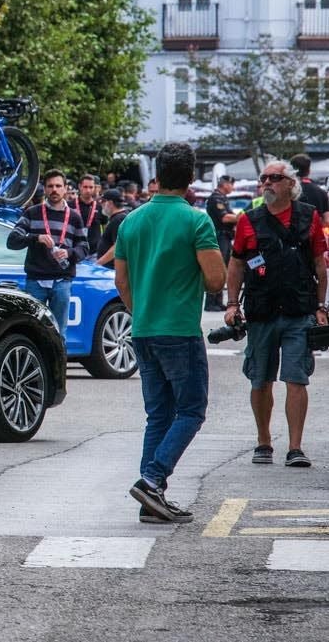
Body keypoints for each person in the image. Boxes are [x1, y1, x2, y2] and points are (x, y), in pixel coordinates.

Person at [114, 142, 225, 523]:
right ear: (191, 177)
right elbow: (215, 280)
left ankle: (151, 497)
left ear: (158, 175)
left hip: (143, 327)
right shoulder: (196, 220)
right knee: (191, 410)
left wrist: (141, 310)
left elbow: (121, 281)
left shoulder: (131, 221)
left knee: (158, 415)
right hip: (179, 328)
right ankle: (152, 480)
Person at [224, 160, 329, 468]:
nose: (267, 182)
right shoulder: (249, 219)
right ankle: (264, 441)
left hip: (299, 311)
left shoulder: (308, 216)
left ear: (290, 184)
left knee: (297, 379)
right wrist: (232, 304)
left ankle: (295, 447)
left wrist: (321, 307)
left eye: (274, 178)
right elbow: (236, 264)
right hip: (262, 312)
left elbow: (320, 265)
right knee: (260, 379)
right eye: (264, 178)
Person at [7, 169, 88, 333]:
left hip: (62, 281)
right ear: (44, 189)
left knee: (59, 331)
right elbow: (12, 241)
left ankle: (59, 352)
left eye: (58, 186)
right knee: (32, 330)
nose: (54, 190)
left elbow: (84, 248)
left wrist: (69, 253)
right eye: (50, 186)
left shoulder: (74, 217)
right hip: (36, 281)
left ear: (65, 188)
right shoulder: (32, 213)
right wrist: (35, 238)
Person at [204, 175, 238, 311]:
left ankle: (218, 301)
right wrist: (243, 217)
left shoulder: (223, 198)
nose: (232, 187)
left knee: (223, 269)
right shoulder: (216, 198)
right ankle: (211, 303)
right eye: (231, 184)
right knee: (217, 268)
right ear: (225, 184)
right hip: (219, 237)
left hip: (225, 237)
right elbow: (225, 218)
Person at [93, 188, 129, 267]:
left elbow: (117, 246)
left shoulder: (118, 219)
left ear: (110, 203)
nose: (101, 204)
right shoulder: (121, 217)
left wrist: (98, 263)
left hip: (111, 269)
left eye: (102, 201)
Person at [290, 154, 329, 221]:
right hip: (314, 226)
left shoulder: (287, 189)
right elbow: (326, 220)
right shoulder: (321, 192)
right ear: (309, 170)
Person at [75, 174, 102, 256]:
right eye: (85, 187)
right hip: (75, 250)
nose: (88, 190)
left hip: (94, 251)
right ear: (80, 186)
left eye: (91, 187)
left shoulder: (100, 206)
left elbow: (105, 227)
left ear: (94, 188)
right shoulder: (70, 205)